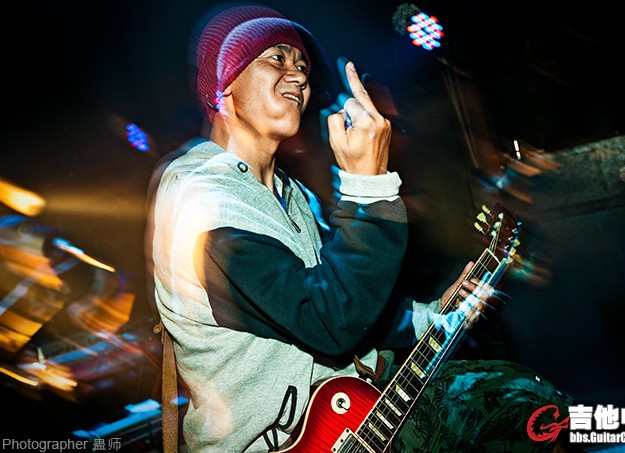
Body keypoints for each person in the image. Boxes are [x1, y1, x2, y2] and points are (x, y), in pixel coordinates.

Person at [146, 2, 575, 452]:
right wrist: (368, 186)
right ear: (224, 83)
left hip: (343, 421)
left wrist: (432, 314)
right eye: (276, 58)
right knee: (513, 407)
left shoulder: (294, 196)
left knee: (522, 405)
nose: (298, 76)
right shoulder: (198, 198)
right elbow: (329, 321)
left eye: (302, 66)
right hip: (272, 444)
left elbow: (348, 291)